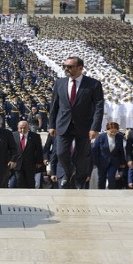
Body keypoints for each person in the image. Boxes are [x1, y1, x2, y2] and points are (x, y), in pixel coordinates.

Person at [48, 56, 104, 189]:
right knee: (61, 153)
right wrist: (51, 125)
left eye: (70, 67)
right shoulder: (59, 83)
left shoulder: (93, 84)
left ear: (80, 68)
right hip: (63, 124)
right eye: (64, 66)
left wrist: (95, 127)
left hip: (84, 126)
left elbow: (98, 107)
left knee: (81, 157)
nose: (66, 69)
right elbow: (54, 105)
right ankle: (69, 171)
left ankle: (80, 180)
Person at [91, 122, 126, 189]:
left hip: (114, 161)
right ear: (107, 130)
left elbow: (121, 150)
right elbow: (95, 150)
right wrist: (94, 162)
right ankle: (101, 193)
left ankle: (111, 193)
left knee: (111, 177)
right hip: (102, 161)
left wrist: (122, 162)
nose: (113, 133)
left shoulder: (119, 137)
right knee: (101, 179)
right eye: (111, 131)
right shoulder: (100, 137)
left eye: (115, 132)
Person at [12, 121, 43, 189]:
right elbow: (10, 149)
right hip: (17, 164)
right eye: (21, 128)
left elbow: (39, 150)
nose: (22, 130)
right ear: (18, 128)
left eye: (24, 128)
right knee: (19, 181)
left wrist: (39, 162)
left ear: (28, 128)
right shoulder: (13, 135)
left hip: (30, 164)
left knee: (30, 182)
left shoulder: (35, 136)